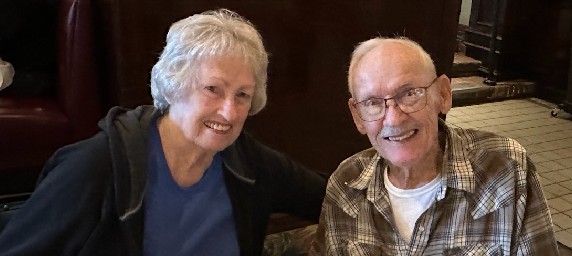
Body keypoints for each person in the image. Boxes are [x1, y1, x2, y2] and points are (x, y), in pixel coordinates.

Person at [0, 9, 326, 255]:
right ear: (174, 85)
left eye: (242, 95)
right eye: (213, 89)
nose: (230, 111)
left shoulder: (248, 162)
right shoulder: (95, 168)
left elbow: (332, 196)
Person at [310, 37, 559, 255]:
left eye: (409, 93)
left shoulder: (506, 168)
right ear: (357, 116)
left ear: (443, 94)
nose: (393, 118)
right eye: (373, 103)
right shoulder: (345, 184)